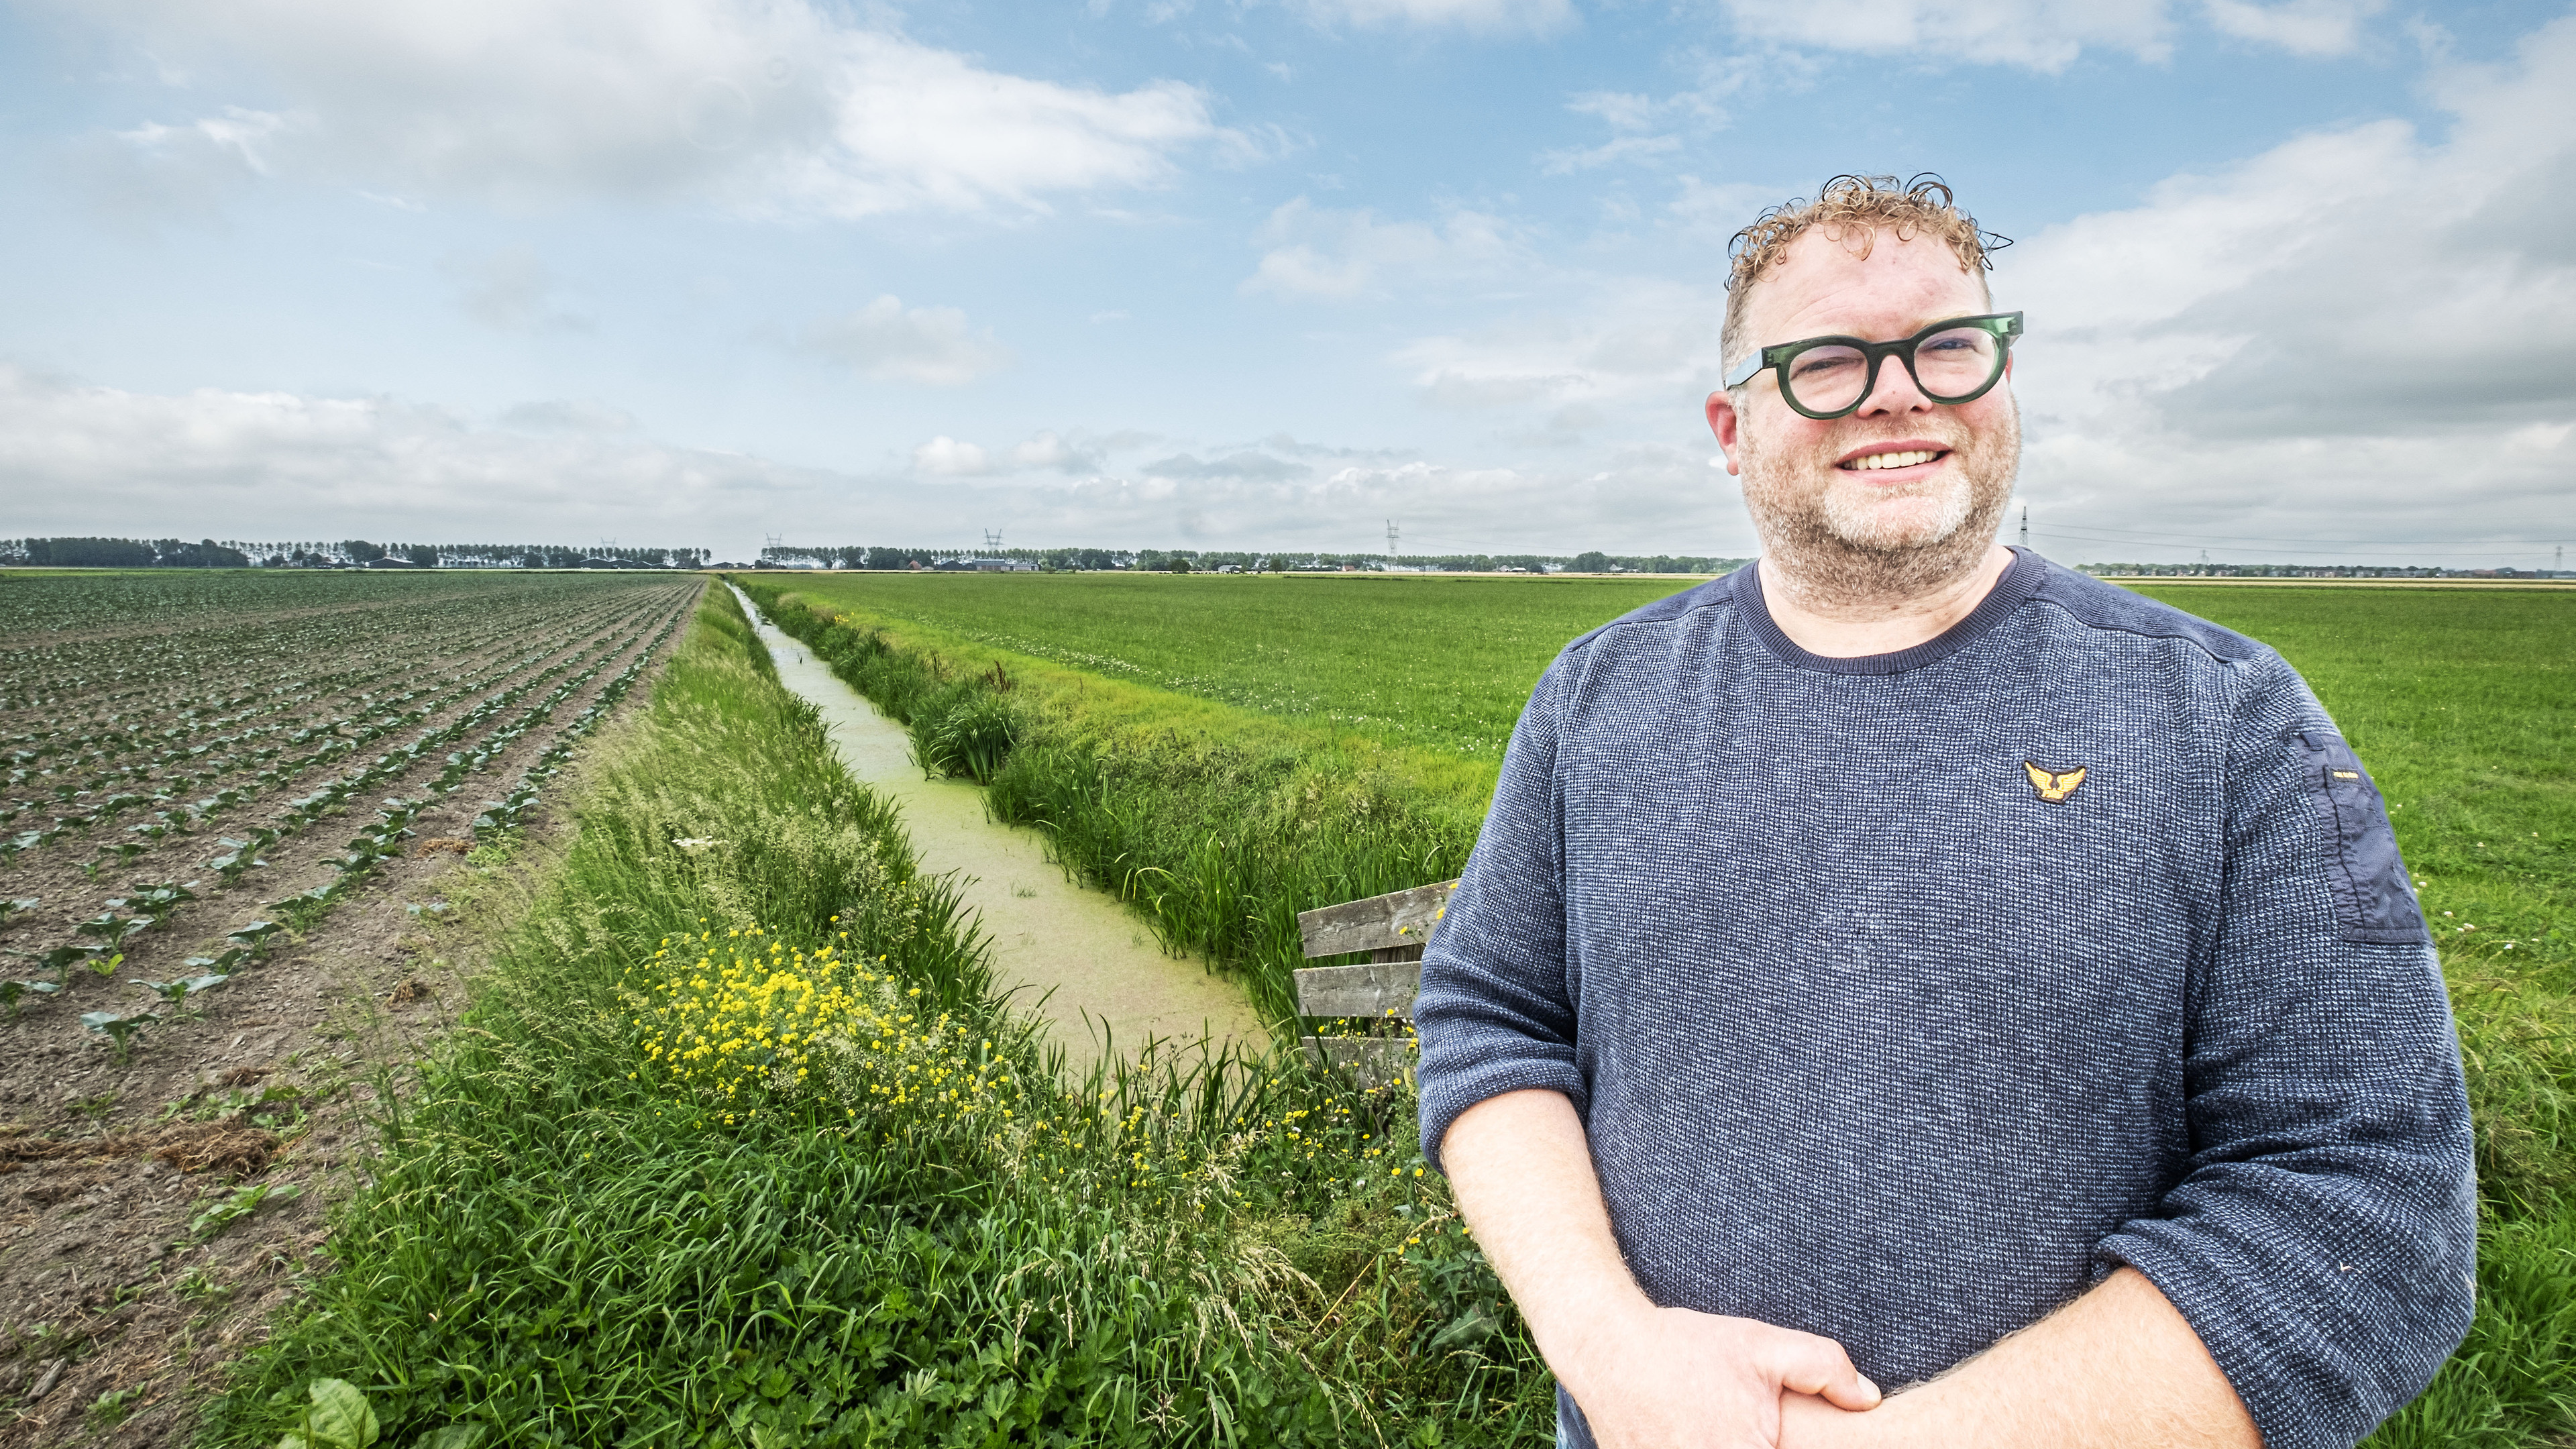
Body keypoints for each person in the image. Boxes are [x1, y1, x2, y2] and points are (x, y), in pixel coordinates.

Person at [1411, 174, 2476, 1449]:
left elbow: (2367, 1203)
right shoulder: (1597, 698)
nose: (1900, 390)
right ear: (1731, 424)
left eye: (1949, 346)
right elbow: (1489, 1019)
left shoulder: (2225, 715)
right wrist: (1607, 1345)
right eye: (1827, 361)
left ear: (2004, 376)